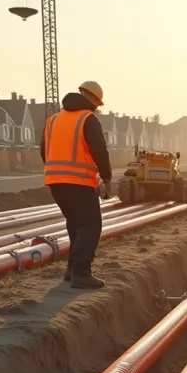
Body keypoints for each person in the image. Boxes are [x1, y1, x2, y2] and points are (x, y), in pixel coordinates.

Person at [41, 81, 112, 289]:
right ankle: (81, 272)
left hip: (56, 182)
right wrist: (106, 177)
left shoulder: (52, 120)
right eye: (97, 104)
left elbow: (43, 151)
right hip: (79, 182)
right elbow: (99, 149)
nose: (96, 108)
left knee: (75, 224)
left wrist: (56, 171)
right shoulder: (88, 119)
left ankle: (71, 270)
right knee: (91, 225)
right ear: (92, 99)